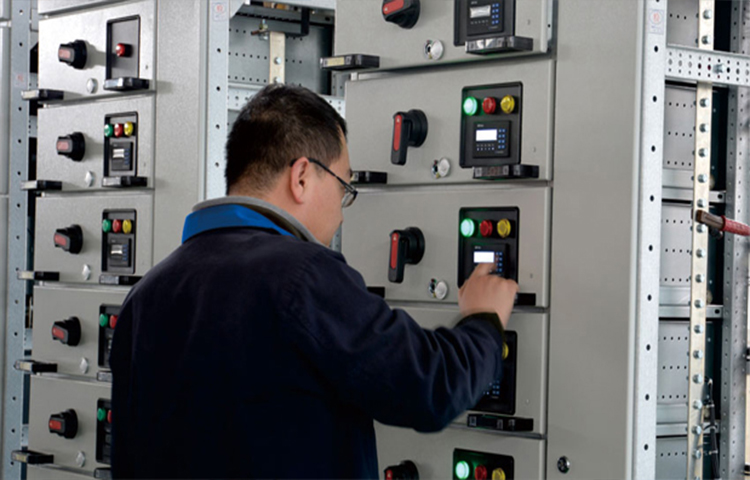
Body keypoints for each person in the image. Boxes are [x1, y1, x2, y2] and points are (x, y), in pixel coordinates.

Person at [109, 84, 518, 479]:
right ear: (302, 176)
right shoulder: (303, 276)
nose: (341, 213)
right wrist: (483, 321)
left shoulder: (145, 296)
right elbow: (430, 387)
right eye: (343, 188)